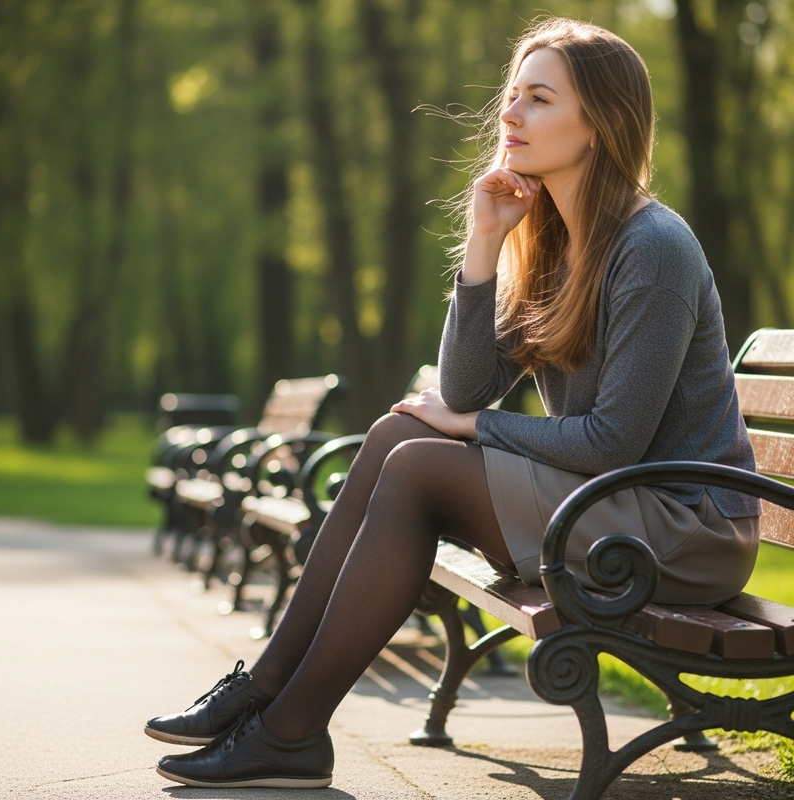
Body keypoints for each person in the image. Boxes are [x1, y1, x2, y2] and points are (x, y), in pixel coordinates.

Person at [144, 17, 761, 789]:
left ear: (599, 126)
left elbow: (609, 443)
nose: (508, 115)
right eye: (513, 96)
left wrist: (467, 427)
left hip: (682, 527)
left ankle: (289, 726)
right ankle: (268, 693)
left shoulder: (653, 247)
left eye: (538, 99)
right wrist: (484, 243)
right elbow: (467, 386)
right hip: (614, 508)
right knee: (389, 439)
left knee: (417, 469)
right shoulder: (557, 240)